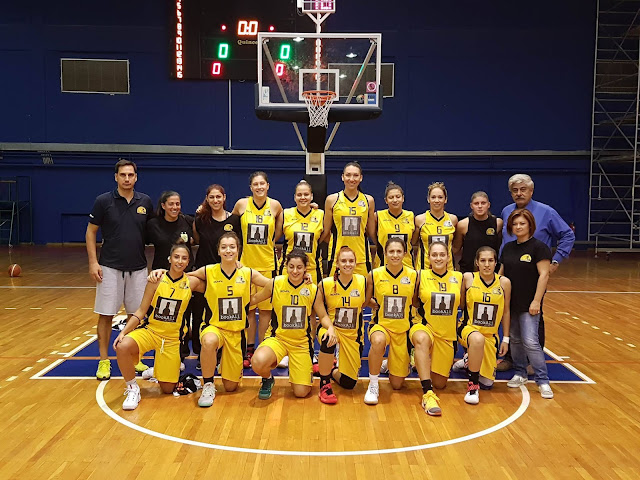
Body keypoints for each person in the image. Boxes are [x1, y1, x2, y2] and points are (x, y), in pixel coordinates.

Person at [498, 174, 575, 371]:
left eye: (523, 190)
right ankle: (511, 357)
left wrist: (556, 260)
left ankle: (534, 360)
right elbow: (505, 242)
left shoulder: (546, 212)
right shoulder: (507, 211)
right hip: (510, 274)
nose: (519, 193)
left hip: (533, 275)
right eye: (515, 190)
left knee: (534, 313)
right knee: (509, 313)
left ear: (531, 191)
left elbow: (567, 234)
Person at [86, 159, 153, 380]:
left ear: (136, 177)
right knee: (106, 315)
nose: (127, 179)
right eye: (123, 175)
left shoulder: (145, 201)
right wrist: (93, 262)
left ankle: (135, 358)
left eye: (130, 175)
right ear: (116, 177)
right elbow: (91, 232)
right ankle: (104, 361)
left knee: (136, 316)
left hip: (138, 268)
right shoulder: (103, 201)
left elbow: (156, 230)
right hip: (109, 268)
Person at [113, 242, 201, 410]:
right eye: (176, 257)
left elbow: (213, 280)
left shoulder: (192, 282)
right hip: (151, 331)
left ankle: (158, 370)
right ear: (169, 259)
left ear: (188, 262)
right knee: (122, 346)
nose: (179, 261)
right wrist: (123, 332)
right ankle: (132, 388)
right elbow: (141, 311)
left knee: (167, 389)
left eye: (184, 258)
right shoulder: (156, 280)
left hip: (172, 340)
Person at [500, 209, 553, 399]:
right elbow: (501, 274)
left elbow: (544, 275)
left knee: (530, 341)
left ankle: (543, 380)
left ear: (530, 225)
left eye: (522, 223)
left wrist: (536, 300)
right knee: (515, 339)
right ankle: (520, 372)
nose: (518, 227)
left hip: (529, 303)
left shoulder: (539, 248)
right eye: (515, 224)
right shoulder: (508, 248)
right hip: (510, 303)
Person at [232, 172, 284, 368]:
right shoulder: (241, 205)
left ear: (268, 186)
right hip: (245, 266)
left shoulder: (275, 206)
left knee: (265, 311)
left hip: (268, 265)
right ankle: (249, 348)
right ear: (251, 187)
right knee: (248, 310)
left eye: (262, 184)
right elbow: (230, 228)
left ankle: (263, 347)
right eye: (256, 184)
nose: (259, 187)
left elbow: (278, 232)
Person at [250, 250, 318, 400]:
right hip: (278, 339)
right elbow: (255, 299)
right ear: (286, 266)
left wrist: (330, 328)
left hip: (301, 343)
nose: (295, 271)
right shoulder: (275, 283)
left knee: (301, 393)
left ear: (305, 268)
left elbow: (322, 315)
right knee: (258, 361)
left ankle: (301, 371)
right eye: (291, 266)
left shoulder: (312, 288)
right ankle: (267, 379)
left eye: (299, 267)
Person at [190, 184, 241, 369]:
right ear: (207, 199)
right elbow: (196, 239)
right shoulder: (200, 219)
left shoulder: (234, 220)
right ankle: (201, 353)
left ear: (224, 197)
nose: (215, 200)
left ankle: (222, 354)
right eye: (211, 197)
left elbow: (239, 244)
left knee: (222, 314)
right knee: (198, 314)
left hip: (225, 275)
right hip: (203, 273)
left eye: (218, 197)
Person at [410, 241, 463, 416]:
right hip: (424, 327)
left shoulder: (459, 277)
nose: (438, 258)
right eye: (434, 255)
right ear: (428, 257)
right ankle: (427, 394)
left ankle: (419, 362)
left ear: (448, 257)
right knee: (421, 339)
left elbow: (463, 304)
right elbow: (414, 301)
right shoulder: (420, 275)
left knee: (440, 383)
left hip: (446, 335)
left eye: (442, 255)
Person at [364, 237, 417, 405]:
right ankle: (373, 384)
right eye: (391, 251)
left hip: (402, 330)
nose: (395, 255)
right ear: (385, 254)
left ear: (405, 253)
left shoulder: (413, 275)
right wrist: (373, 304)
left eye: (399, 251)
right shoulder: (375, 274)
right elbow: (365, 300)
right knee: (378, 341)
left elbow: (416, 301)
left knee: (397, 385)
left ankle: (389, 363)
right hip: (381, 326)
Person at [314, 246, 370, 404]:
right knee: (328, 339)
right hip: (331, 328)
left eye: (351, 261)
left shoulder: (363, 281)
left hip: (353, 336)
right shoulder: (325, 284)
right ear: (337, 264)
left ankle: (329, 369)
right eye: (343, 261)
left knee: (349, 383)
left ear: (356, 263)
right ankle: (324, 383)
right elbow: (318, 308)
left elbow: (368, 301)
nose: (347, 264)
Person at [458, 246, 511, 404]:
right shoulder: (468, 278)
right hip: (468, 329)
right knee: (477, 339)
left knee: (487, 384)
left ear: (495, 262)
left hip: (490, 336)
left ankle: (469, 360)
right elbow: (461, 305)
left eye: (490, 260)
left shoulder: (504, 283)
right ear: (477, 262)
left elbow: (506, 312)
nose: (486, 264)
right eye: (483, 260)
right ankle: (472, 387)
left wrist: (506, 338)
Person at [321, 162, 376, 277]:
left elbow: (371, 233)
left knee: (362, 288)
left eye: (355, 175)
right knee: (334, 288)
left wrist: (383, 248)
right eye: (348, 175)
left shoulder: (368, 200)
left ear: (361, 178)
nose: (351, 179)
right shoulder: (332, 200)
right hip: (337, 257)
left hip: (362, 258)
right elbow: (325, 232)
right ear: (342, 177)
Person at [280, 180, 324, 284]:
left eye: (306, 194)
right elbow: (274, 237)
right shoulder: (286, 214)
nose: (303, 197)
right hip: (289, 268)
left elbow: (325, 238)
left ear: (311, 196)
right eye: (299, 195)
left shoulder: (321, 214)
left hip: (312, 269)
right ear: (294, 197)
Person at [453, 191, 503, 273]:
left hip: (491, 272)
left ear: (488, 205)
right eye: (476, 203)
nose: (480, 206)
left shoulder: (498, 223)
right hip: (468, 271)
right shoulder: (463, 225)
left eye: (483, 203)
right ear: (471, 206)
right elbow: (455, 249)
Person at [413, 182, 458, 271]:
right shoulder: (419, 220)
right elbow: (413, 243)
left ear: (445, 199)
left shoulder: (453, 219)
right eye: (433, 197)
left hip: (448, 269)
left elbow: (456, 245)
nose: (436, 200)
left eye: (440, 197)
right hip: (425, 270)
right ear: (428, 199)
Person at [146, 191, 194, 271]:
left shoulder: (188, 221)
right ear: (163, 206)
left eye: (177, 204)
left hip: (185, 272)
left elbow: (196, 239)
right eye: (171, 204)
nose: (175, 207)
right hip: (161, 272)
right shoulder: (153, 225)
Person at [374, 182, 415, 269]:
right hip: (383, 266)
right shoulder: (378, 216)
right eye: (391, 197)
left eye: (398, 196)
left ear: (403, 198)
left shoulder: (410, 216)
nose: (395, 200)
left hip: (407, 266)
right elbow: (373, 236)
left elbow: (413, 240)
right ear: (386, 200)